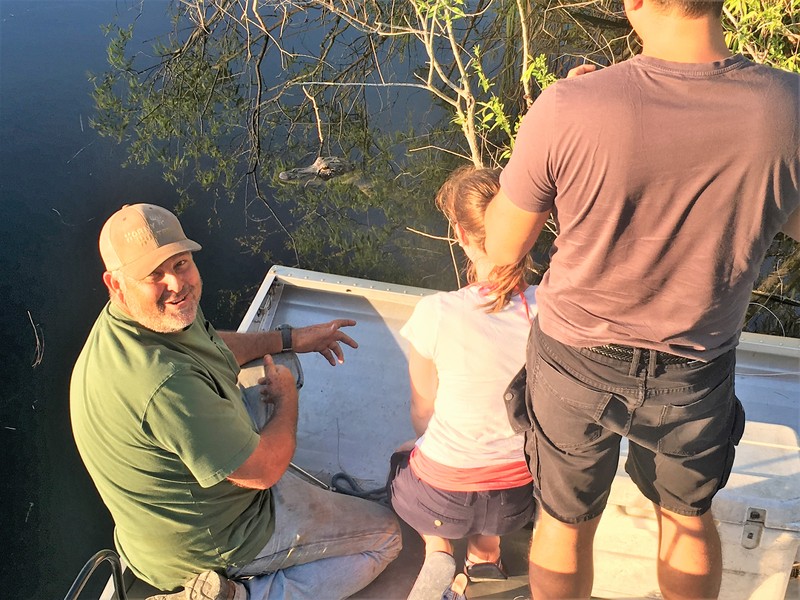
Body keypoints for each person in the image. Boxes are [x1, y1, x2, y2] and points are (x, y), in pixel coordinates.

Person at [483, 0, 800, 598]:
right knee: (686, 516)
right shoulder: (789, 107)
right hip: (694, 370)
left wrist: (549, 129)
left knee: (564, 520)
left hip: (574, 359)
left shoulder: (567, 107)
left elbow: (502, 249)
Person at [70, 203, 402, 600]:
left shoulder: (139, 321)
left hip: (165, 527)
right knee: (386, 538)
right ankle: (236, 595)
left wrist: (290, 338)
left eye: (179, 264)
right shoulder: (163, 384)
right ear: (116, 283)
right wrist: (285, 402)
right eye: (154, 275)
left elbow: (213, 346)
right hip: (217, 541)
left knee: (285, 364)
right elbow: (263, 473)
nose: (176, 284)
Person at [389, 167, 537, 598]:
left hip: (440, 499)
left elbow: (422, 412)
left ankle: (438, 553)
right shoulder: (549, 309)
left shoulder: (436, 312)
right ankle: (484, 557)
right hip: (514, 502)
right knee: (494, 492)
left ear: (460, 232)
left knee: (402, 459)